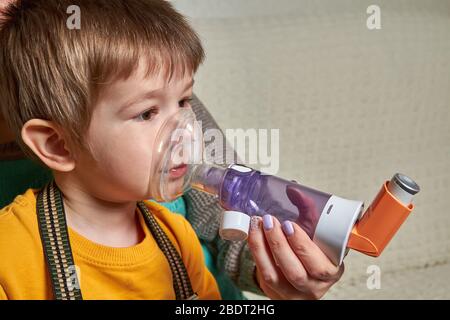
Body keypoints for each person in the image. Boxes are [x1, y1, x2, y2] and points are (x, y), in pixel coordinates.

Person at [0, 0, 344, 300]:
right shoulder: (11, 251)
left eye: (183, 101)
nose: (185, 132)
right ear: (57, 145)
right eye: (147, 113)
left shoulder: (175, 235)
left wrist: (282, 262)